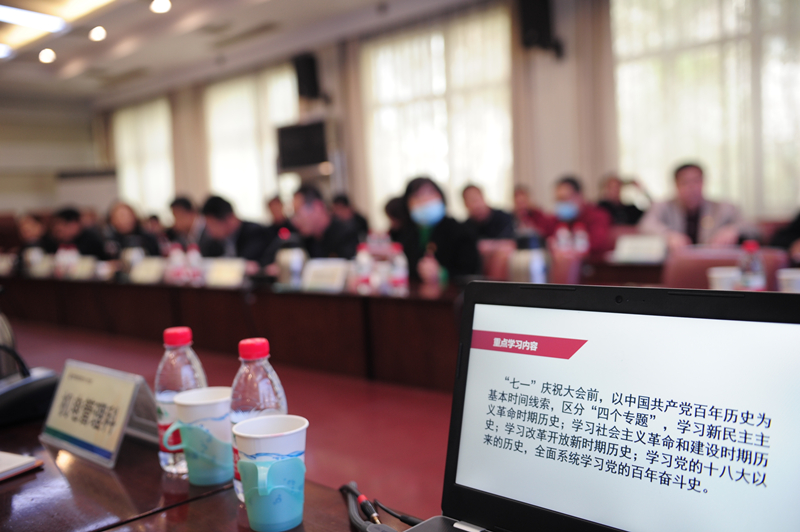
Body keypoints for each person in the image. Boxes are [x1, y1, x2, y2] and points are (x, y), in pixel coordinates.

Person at [638, 163, 742, 250]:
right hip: (678, 262)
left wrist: (732, 230)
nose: (692, 187)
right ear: (676, 185)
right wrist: (668, 235)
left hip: (713, 261)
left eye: (696, 181)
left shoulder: (722, 207)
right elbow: (646, 225)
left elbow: (747, 225)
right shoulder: (663, 206)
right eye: (685, 182)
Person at [397, 176, 480, 284]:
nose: (424, 200)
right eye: (417, 196)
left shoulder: (460, 231)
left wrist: (442, 274)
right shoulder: (406, 233)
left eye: (430, 193)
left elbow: (471, 271)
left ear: (441, 196)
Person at [546, 176, 613, 256]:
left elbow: (597, 245)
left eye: (565, 198)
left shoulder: (598, 216)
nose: (562, 203)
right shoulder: (557, 219)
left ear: (579, 196)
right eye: (559, 199)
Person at [200, 196, 273, 269]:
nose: (209, 231)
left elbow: (249, 265)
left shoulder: (255, 233)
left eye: (212, 225)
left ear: (229, 219)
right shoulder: (214, 241)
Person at [292, 185, 359, 259]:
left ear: (317, 207)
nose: (294, 221)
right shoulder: (304, 241)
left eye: (298, 213)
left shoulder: (346, 234)